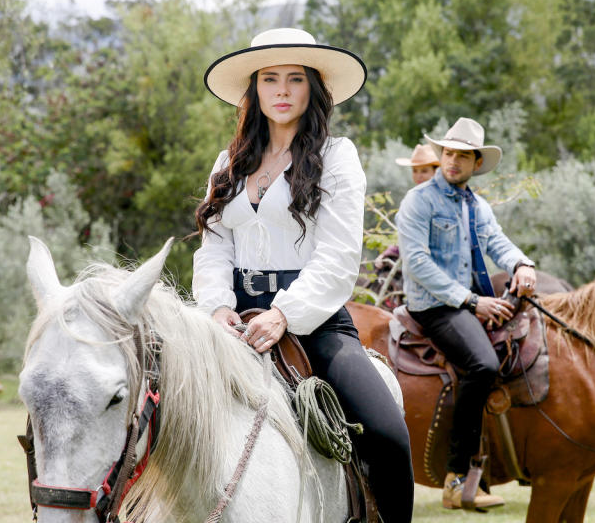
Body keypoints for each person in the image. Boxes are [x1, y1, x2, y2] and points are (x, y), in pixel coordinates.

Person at [193, 27, 414, 522]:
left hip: (311, 322)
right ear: (254, 91)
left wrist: (284, 315)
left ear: (313, 89)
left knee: (387, 434)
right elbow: (213, 247)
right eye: (270, 79)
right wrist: (216, 306)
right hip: (231, 322)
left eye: (295, 79)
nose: (283, 91)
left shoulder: (337, 157)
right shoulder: (228, 164)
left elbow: (338, 257)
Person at [396, 117, 536, 511]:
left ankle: (507, 458)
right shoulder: (419, 200)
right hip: (434, 306)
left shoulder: (478, 207)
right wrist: (473, 302)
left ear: (477, 163)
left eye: (462, 156)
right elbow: (419, 263)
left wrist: (521, 265)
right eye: (448, 153)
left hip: (465, 303)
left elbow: (498, 243)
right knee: (483, 365)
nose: (452, 161)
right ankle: (456, 478)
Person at [371, 144, 441, 307]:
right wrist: (388, 254)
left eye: (424, 171)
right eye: (415, 171)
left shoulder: (438, 201)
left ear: (435, 171)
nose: (418, 176)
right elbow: (408, 237)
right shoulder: (414, 199)